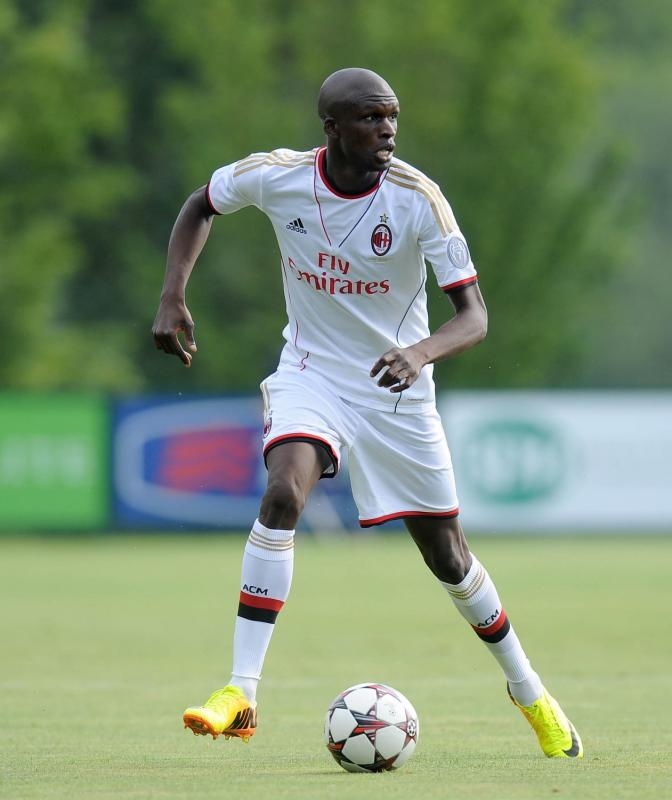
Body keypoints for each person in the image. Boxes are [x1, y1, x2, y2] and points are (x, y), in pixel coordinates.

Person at [152, 67, 583, 758]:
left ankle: (529, 690)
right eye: (371, 118)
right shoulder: (278, 176)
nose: (387, 131)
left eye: (392, 118)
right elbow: (200, 203)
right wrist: (173, 294)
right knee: (282, 494)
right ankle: (240, 691)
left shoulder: (418, 199)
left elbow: (474, 316)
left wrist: (419, 353)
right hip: (312, 373)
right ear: (332, 127)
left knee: (448, 557)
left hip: (397, 390)